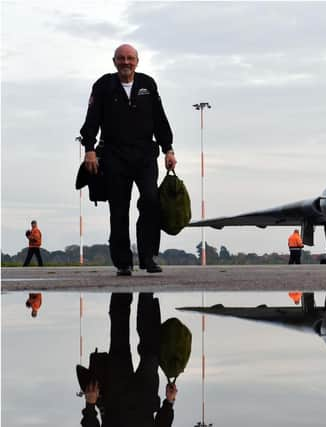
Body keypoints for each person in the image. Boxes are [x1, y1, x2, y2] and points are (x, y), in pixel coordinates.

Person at [80, 44, 177, 276]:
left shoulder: (148, 84)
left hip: (145, 155)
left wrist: (168, 149)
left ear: (137, 61)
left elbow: (160, 118)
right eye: (121, 58)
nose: (126, 62)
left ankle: (148, 257)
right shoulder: (104, 85)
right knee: (119, 209)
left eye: (130, 58)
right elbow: (92, 118)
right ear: (114, 61)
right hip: (115, 155)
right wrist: (90, 149)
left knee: (151, 202)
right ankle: (123, 261)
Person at [80, 293, 177, 427]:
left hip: (116, 396)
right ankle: (146, 293)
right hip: (145, 397)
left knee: (119, 334)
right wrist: (169, 402)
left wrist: (90, 405)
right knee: (151, 352)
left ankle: (122, 287)